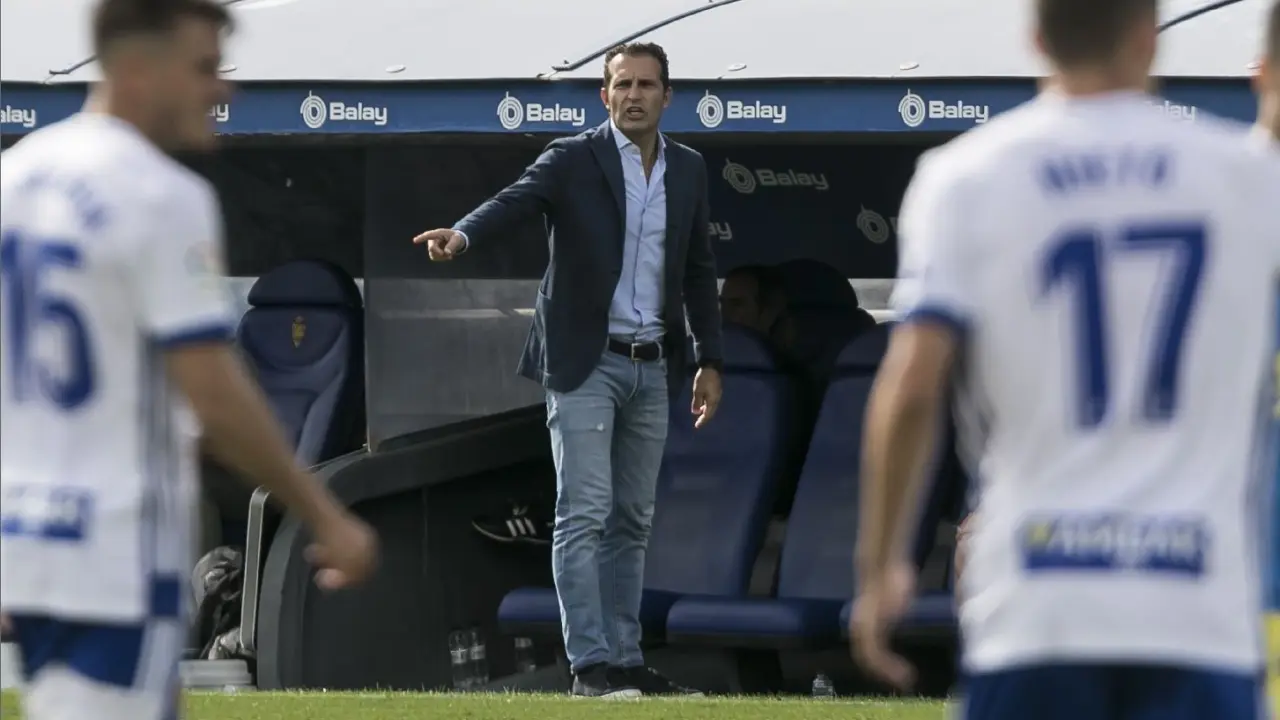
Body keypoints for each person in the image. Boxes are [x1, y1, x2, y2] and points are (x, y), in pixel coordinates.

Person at [848, 0, 1280, 717]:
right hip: (1194, 603)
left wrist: (881, 565)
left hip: (1037, 599)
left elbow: (912, 387)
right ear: (1150, 36)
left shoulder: (966, 177)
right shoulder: (1243, 176)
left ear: (1036, 37)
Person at [0, 2, 378, 718]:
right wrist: (324, 514)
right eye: (204, 67)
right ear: (139, 70)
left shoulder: (15, 179)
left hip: (29, 544)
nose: (223, 88)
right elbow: (213, 393)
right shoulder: (160, 195)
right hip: (117, 545)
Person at [413, 42, 723, 698]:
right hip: (586, 362)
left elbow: (698, 270)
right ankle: (590, 667)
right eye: (622, 85)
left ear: (667, 96)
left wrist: (709, 360)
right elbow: (513, 201)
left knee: (633, 519)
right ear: (604, 96)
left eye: (646, 85)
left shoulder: (690, 169)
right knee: (584, 513)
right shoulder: (572, 157)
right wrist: (462, 235)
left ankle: (627, 661)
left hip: (652, 365)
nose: (634, 95)